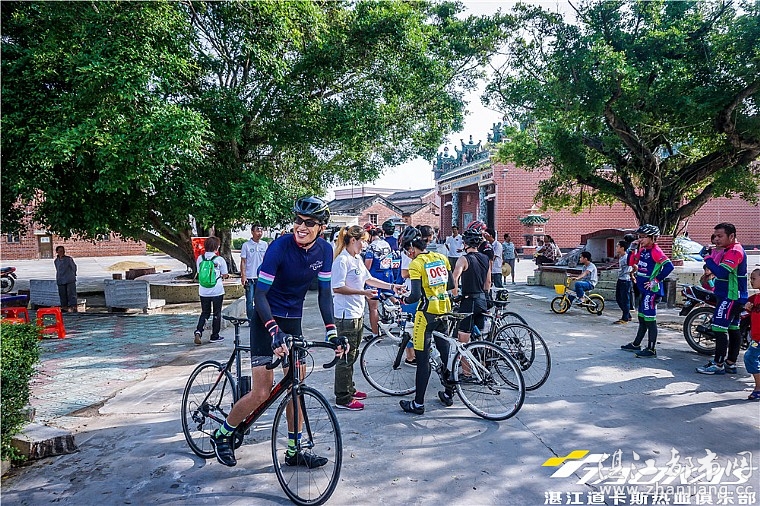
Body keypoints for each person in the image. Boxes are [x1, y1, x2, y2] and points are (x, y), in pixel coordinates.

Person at [211, 196, 345, 469]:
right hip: (265, 318)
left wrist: (332, 332)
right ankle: (223, 434)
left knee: (296, 388)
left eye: (309, 223)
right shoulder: (279, 247)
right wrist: (273, 331)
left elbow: (324, 294)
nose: (301, 227)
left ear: (321, 227)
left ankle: (294, 450)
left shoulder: (324, 251)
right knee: (262, 392)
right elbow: (260, 295)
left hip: (293, 320)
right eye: (298, 220)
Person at [331, 225, 403, 411]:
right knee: (345, 357)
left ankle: (349, 388)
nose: (365, 245)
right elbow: (337, 287)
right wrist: (363, 292)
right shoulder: (342, 260)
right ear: (353, 240)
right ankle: (343, 397)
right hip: (346, 315)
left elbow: (368, 279)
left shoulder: (357, 259)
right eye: (363, 241)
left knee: (353, 354)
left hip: (357, 313)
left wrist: (391, 287)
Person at [398, 227, 452, 415]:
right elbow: (451, 284)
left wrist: (403, 299)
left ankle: (418, 404)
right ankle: (449, 393)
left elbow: (414, 296)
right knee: (445, 354)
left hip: (426, 314)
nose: (408, 254)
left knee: (422, 360)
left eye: (407, 250)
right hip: (444, 310)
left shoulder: (416, 264)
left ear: (413, 247)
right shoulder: (441, 258)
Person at [441, 227, 490, 407]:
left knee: (463, 340)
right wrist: (484, 295)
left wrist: (454, 296)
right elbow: (488, 282)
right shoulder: (485, 258)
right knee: (480, 336)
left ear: (465, 243)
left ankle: (467, 373)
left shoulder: (463, 259)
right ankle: (482, 364)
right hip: (482, 300)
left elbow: (454, 279)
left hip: (468, 302)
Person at [696, 223, 748, 375]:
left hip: (730, 297)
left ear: (731, 236)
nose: (716, 239)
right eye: (715, 236)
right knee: (733, 328)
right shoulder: (729, 250)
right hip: (732, 296)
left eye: (720, 236)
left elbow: (721, 272)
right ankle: (730, 363)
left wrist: (707, 258)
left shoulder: (735, 251)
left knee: (719, 328)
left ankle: (718, 364)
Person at [620, 224, 674, 358]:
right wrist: (632, 249)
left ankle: (651, 349)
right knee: (642, 317)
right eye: (640, 236)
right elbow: (631, 262)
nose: (641, 239)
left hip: (652, 292)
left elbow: (669, 266)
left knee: (650, 319)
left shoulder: (656, 251)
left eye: (644, 237)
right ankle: (636, 344)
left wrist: (656, 280)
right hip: (643, 290)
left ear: (652, 238)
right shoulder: (643, 250)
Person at [194, 236, 229, 345]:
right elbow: (225, 274)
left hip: (203, 290)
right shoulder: (219, 259)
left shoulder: (200, 259)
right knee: (217, 313)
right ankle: (215, 336)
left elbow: (199, 272)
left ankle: (199, 331)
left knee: (205, 312)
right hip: (217, 290)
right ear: (216, 247)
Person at [364, 225, 395, 341]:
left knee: (373, 308)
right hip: (387, 275)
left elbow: (367, 266)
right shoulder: (386, 244)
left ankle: (375, 335)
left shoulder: (371, 247)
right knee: (392, 297)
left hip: (374, 277)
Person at [239, 224, 268, 324]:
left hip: (261, 277)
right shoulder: (246, 245)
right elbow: (243, 261)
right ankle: (251, 320)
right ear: (252, 232)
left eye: (261, 231)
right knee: (250, 300)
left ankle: (261, 319)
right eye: (257, 231)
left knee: (261, 299)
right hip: (250, 277)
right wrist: (243, 276)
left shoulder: (264, 244)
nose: (259, 233)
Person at [743, 269, 760, 400]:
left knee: (750, 357)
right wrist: (748, 308)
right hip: (756, 337)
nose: (751, 281)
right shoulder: (755, 298)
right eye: (751, 279)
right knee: (751, 358)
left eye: (754, 278)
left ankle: (758, 388)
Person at [614, 241, 633, 324]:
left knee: (625, 300)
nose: (616, 248)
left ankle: (625, 318)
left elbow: (635, 266)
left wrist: (631, 273)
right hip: (620, 279)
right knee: (618, 298)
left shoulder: (626, 257)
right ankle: (628, 315)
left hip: (625, 280)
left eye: (617, 246)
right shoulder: (621, 257)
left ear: (622, 248)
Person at [54, 246, 77, 312]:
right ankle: (64, 306)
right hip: (60, 279)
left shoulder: (68, 259)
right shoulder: (56, 261)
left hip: (69, 279)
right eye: (60, 251)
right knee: (62, 294)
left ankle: (73, 306)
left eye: (63, 251)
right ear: (57, 252)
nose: (62, 252)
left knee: (71, 293)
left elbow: (74, 267)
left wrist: (73, 274)